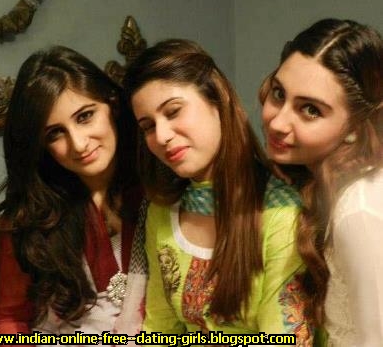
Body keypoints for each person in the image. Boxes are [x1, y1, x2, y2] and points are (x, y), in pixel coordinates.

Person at [123, 38, 314, 344]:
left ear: (218, 98)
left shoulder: (280, 211)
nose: (161, 136)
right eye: (148, 126)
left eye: (173, 112)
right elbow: (159, 328)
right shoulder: (162, 210)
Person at [0, 46, 146, 340]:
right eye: (55, 133)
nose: (79, 144)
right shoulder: (31, 218)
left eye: (85, 116)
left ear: (111, 104)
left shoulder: (159, 189)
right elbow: (10, 319)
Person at [259, 18, 383, 346]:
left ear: (356, 127)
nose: (278, 122)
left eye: (310, 110)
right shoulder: (333, 189)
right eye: (278, 93)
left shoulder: (359, 209)